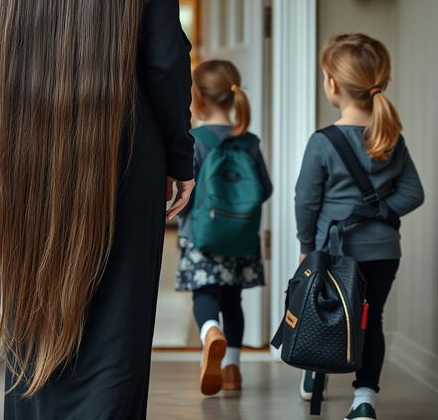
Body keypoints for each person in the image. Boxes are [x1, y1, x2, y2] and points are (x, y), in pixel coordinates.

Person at [0, 0, 195, 420]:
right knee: (117, 320)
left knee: (37, 299)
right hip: (127, 156)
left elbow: (5, 53)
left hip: (30, 149)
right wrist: (181, 159)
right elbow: (165, 64)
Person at [295, 34, 424, 420]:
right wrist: (378, 212)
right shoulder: (390, 137)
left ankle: (313, 371)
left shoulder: (322, 141)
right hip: (383, 252)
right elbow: (413, 193)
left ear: (332, 84)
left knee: (323, 311)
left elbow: (306, 200)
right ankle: (363, 400)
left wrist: (306, 244)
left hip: (333, 252)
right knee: (371, 320)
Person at [175, 60, 272, 396]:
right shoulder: (249, 141)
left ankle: (210, 332)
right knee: (234, 301)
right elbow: (266, 190)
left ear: (197, 99)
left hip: (200, 237)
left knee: (206, 295)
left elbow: (184, 190)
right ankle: (232, 368)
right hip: (241, 238)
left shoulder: (194, 140)